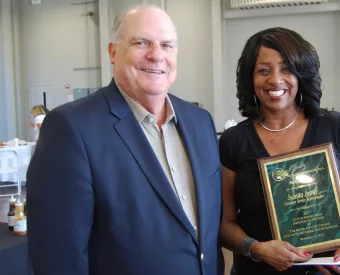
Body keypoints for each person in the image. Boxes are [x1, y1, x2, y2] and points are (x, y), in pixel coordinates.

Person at [27, 5, 224, 275]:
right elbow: (57, 257)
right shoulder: (71, 128)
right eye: (141, 42)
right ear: (112, 52)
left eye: (167, 45)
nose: (156, 55)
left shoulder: (201, 122)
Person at [219, 27, 340, 275]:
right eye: (263, 70)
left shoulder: (335, 128)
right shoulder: (232, 141)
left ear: (301, 73)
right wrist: (257, 249)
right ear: (250, 79)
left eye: (287, 68)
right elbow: (225, 224)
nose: (275, 80)